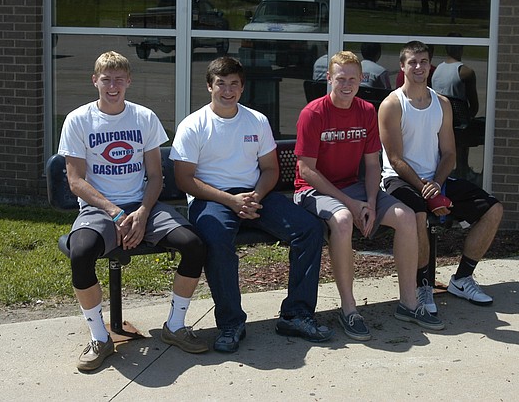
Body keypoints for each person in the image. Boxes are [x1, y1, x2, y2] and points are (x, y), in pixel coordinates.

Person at [58, 51, 208, 372]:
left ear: (129, 82)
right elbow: (75, 181)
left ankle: (175, 326)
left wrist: (141, 212)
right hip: (100, 208)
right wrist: (114, 212)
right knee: (80, 253)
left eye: (119, 79)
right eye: (106, 79)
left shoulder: (144, 117)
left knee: (194, 244)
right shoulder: (78, 120)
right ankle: (100, 337)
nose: (113, 86)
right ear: (94, 81)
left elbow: (156, 176)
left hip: (143, 206)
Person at [171, 56, 332, 353]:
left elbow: (270, 169)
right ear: (209, 86)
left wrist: (255, 196)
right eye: (221, 84)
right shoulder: (193, 125)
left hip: (255, 195)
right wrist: (230, 200)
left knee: (309, 228)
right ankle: (232, 324)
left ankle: (296, 315)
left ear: (242, 88)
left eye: (234, 84)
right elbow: (184, 179)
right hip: (212, 199)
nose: (228, 91)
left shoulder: (256, 120)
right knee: (216, 239)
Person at [294, 50, 443, 341]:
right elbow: (307, 171)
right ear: (329, 78)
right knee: (343, 220)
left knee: (406, 216)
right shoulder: (313, 113)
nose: (346, 84)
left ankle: (409, 303)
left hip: (355, 187)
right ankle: (349, 309)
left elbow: (373, 164)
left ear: (361, 78)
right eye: (340, 78)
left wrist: (372, 202)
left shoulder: (365, 111)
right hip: (312, 189)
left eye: (352, 78)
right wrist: (351, 203)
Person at [379, 41, 503, 314]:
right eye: (412, 62)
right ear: (402, 66)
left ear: (430, 66)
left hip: (434, 180)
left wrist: (435, 183)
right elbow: (396, 159)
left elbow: (449, 154)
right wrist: (425, 187)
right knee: (420, 213)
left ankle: (462, 279)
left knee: (493, 208)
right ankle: (423, 287)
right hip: (397, 181)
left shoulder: (442, 104)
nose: (419, 67)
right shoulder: (391, 105)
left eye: (423, 61)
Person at [430, 33, 484, 178]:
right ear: (461, 48)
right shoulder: (466, 72)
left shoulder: (436, 71)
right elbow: (474, 106)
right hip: (459, 121)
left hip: (439, 121)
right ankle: (463, 168)